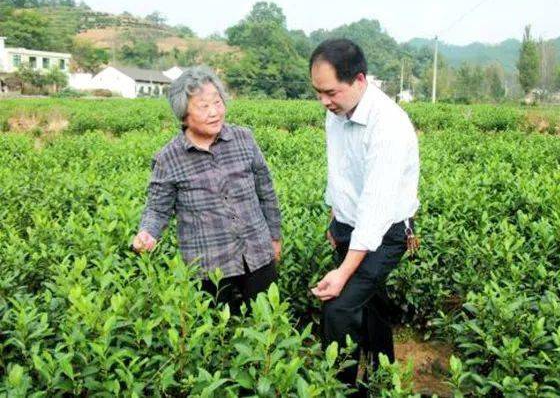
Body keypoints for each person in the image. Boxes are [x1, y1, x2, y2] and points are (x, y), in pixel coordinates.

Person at [309, 39, 420, 394]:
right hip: (348, 224)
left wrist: (342, 273)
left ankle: (339, 388)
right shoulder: (336, 114)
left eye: (330, 92)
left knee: (339, 309)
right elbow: (339, 169)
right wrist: (335, 216)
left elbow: (376, 208)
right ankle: (381, 378)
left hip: (384, 232)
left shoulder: (388, 125)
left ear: (359, 80)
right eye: (317, 93)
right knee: (369, 305)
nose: (324, 101)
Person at [132, 66, 282, 310]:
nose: (214, 112)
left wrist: (274, 236)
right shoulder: (168, 158)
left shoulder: (244, 139)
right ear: (183, 114)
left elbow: (266, 192)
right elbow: (157, 210)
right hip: (209, 267)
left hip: (257, 254)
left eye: (218, 102)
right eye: (203, 106)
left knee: (266, 325)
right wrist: (148, 233)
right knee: (218, 336)